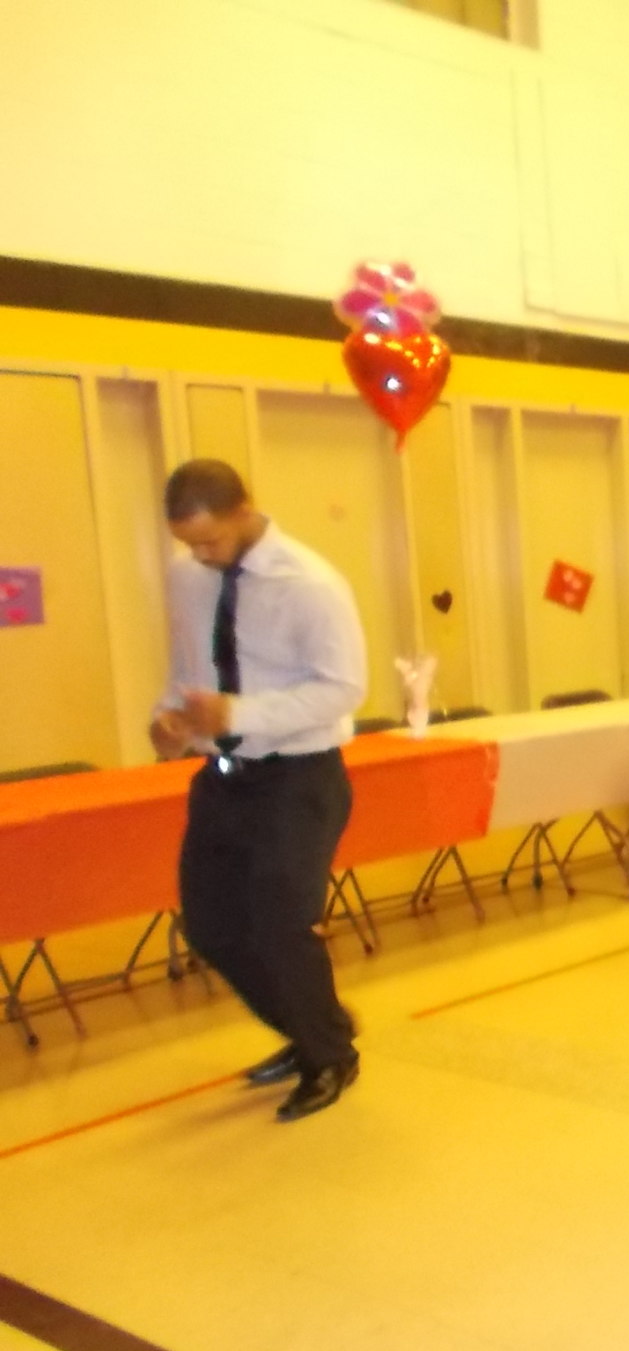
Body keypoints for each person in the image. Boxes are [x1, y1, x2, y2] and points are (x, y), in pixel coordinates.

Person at [148, 459, 367, 1122]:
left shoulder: (312, 584)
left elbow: (343, 688)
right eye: (189, 543)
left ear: (244, 510)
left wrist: (239, 716)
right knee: (211, 926)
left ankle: (328, 1055)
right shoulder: (189, 578)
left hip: (298, 779)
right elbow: (190, 667)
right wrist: (170, 721)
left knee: (278, 926)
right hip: (222, 780)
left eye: (210, 539)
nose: (200, 555)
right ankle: (313, 1026)